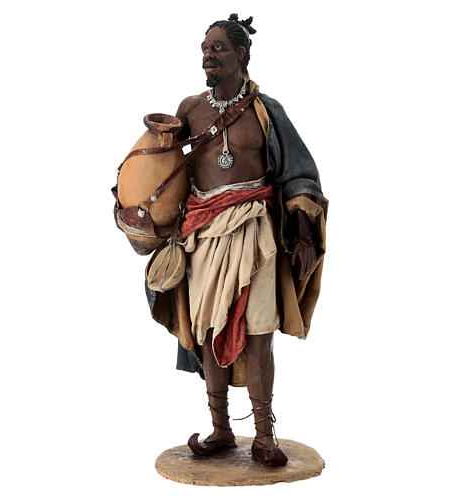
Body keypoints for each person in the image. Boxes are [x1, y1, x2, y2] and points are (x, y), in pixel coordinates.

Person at [140, 14, 328, 467]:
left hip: (255, 232)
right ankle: (221, 430)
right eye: (205, 48)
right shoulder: (189, 110)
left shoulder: (266, 110)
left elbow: (299, 171)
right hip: (202, 234)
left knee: (259, 330)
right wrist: (141, 207)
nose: (209, 54)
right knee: (208, 329)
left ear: (241, 54)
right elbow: (163, 170)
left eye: (219, 47)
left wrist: (303, 229)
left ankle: (264, 436)